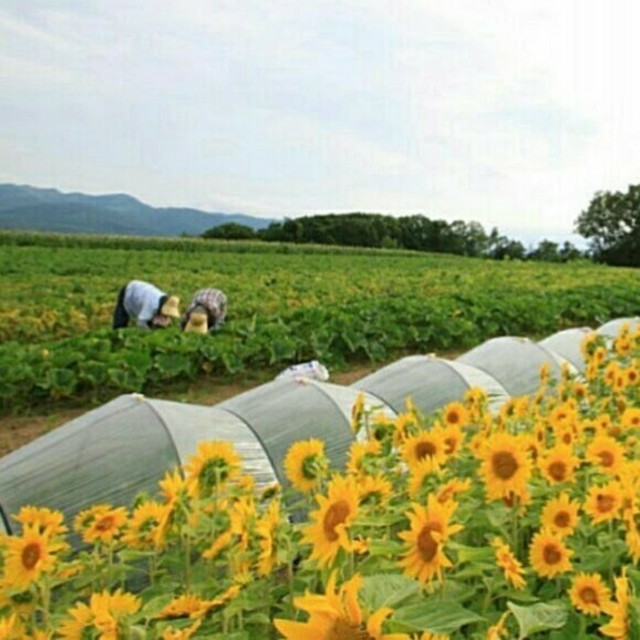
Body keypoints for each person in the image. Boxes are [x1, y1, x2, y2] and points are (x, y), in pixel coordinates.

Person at [112, 280, 180, 330]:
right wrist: (149, 331)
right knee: (121, 321)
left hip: (141, 292)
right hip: (130, 290)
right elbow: (141, 322)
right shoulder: (151, 305)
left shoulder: (165, 300)